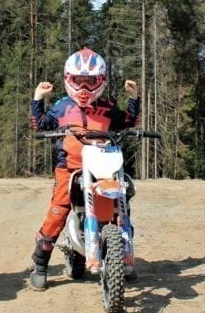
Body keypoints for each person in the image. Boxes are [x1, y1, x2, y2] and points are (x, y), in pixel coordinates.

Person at [29, 47, 140, 291]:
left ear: (101, 81)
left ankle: (123, 255)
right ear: (69, 79)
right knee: (58, 209)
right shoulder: (61, 106)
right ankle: (40, 263)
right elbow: (39, 125)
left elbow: (129, 122)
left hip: (104, 166)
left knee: (121, 203)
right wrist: (38, 99)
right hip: (70, 166)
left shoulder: (109, 107)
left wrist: (133, 99)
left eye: (91, 81)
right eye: (79, 80)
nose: (85, 87)